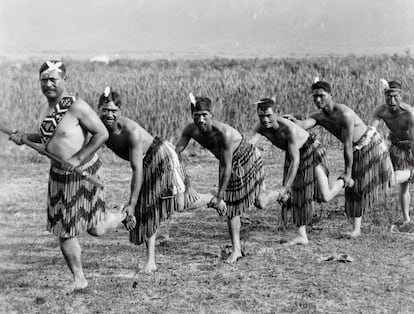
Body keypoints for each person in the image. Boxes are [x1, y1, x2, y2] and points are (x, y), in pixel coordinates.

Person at [9, 61, 125, 292]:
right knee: (65, 231)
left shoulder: (77, 106)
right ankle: (79, 279)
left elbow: (101, 134)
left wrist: (77, 158)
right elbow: (49, 139)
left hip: (83, 172)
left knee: (97, 229)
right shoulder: (44, 108)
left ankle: (120, 215)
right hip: (59, 176)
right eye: (44, 80)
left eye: (53, 79)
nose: (48, 84)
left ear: (64, 81)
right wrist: (25, 137)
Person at [97, 87, 211, 273]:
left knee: (181, 203)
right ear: (98, 108)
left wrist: (132, 203)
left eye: (114, 111)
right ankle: (151, 261)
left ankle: (211, 198)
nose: (109, 114)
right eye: (105, 110)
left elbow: (137, 168)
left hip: (162, 155)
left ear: (120, 111)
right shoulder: (97, 127)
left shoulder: (130, 132)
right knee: (150, 206)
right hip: (145, 161)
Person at [285, 80, 393, 238]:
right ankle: (357, 229)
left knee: (389, 180)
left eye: (321, 96)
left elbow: (347, 144)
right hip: (356, 149)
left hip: (370, 144)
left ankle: (408, 175)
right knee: (355, 188)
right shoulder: (319, 116)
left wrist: (348, 172)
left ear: (331, 95)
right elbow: (305, 124)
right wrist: (291, 121)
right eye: (315, 97)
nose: (318, 100)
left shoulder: (345, 113)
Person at [175, 95, 277, 263]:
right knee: (233, 206)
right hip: (229, 162)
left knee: (260, 202)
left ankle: (281, 193)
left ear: (211, 115)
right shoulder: (190, 129)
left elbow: (225, 166)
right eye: (197, 115)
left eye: (204, 115)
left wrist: (220, 196)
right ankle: (236, 250)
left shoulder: (224, 133)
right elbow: (177, 150)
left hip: (248, 157)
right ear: (192, 115)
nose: (200, 119)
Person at [250, 98, 353, 245]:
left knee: (325, 196)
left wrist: (284, 188)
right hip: (293, 153)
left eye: (268, 115)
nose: (265, 120)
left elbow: (295, 161)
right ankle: (302, 236)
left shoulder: (288, 129)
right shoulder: (260, 126)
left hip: (311, 150)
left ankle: (344, 181)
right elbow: (249, 147)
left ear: (276, 114)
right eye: (261, 116)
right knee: (297, 193)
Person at [371, 80, 414, 227]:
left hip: (411, 148)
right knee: (403, 185)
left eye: (395, 96)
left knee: (397, 178)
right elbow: (371, 131)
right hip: (395, 146)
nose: (392, 100)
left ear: (401, 96)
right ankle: (407, 219)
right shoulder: (381, 111)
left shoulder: (409, 113)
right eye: (388, 97)